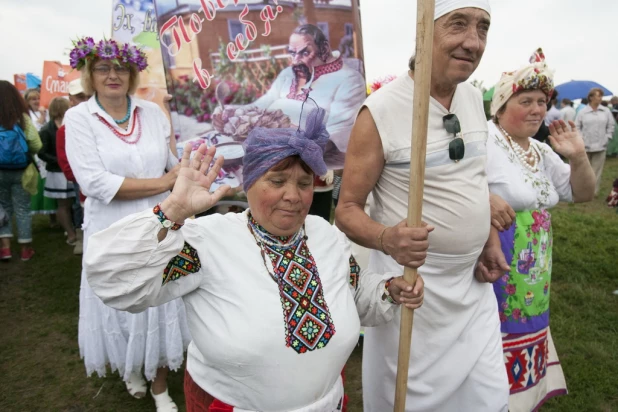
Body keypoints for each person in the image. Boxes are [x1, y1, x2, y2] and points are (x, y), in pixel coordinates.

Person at [83, 108, 425, 411]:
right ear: (248, 183)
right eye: (277, 181)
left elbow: (353, 294)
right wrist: (172, 211)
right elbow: (114, 280)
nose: (293, 196)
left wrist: (389, 290)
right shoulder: (205, 243)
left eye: (304, 183)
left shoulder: (325, 235)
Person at [335, 1, 510, 410]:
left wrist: (488, 240)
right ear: (423, 32)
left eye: (482, 28)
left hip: (472, 292)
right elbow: (346, 209)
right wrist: (386, 238)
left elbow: (472, 178)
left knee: (489, 399)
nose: (473, 41)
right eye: (458, 25)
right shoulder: (381, 111)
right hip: (413, 292)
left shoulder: (471, 98)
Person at [64, 37, 191, 411]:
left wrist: (196, 164)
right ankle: (130, 365)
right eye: (103, 68)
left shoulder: (152, 113)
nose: (113, 75)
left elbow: (171, 162)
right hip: (111, 226)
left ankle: (160, 385)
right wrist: (164, 184)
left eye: (121, 68)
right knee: (119, 302)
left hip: (159, 225)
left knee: (161, 301)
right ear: (90, 75)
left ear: (133, 74)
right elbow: (95, 183)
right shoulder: (78, 117)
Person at [487, 49, 595, 411]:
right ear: (501, 106)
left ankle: (520, 398)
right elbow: (452, 186)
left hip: (534, 268)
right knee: (491, 341)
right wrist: (483, 197)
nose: (537, 109)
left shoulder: (541, 150)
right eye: (526, 100)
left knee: (527, 328)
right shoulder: (484, 142)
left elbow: (583, 194)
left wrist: (577, 156)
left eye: (542, 102)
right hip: (494, 260)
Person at [0, 81, 42, 261]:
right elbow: (37, 144)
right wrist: (25, 152)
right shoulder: (23, 119)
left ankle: (5, 248)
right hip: (22, 170)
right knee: (23, 208)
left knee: (4, 207)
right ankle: (25, 248)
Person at [57, 79, 91, 254]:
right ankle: (80, 236)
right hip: (88, 190)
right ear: (71, 98)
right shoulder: (66, 127)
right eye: (80, 96)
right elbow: (68, 167)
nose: (85, 100)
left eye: (88, 96)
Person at [38, 97, 77, 245]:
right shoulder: (47, 129)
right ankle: (71, 233)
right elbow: (42, 152)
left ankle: (76, 228)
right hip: (57, 172)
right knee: (63, 205)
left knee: (75, 203)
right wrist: (59, 160)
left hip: (72, 169)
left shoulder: (72, 125)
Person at [576, 88, 615, 196]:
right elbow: (577, 127)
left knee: (596, 170)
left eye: (601, 96)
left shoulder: (606, 111)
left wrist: (607, 137)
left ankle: (593, 191)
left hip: (601, 145)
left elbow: (611, 126)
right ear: (591, 97)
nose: (600, 98)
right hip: (586, 145)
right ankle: (582, 190)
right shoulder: (583, 112)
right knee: (584, 170)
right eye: (598, 96)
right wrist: (581, 139)